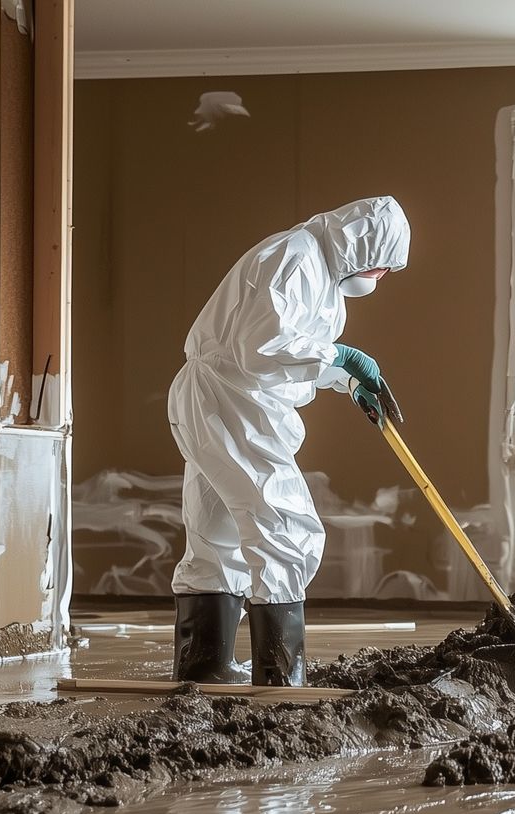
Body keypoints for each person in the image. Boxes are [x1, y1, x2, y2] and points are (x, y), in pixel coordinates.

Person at [166, 196, 410, 686]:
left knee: (218, 533)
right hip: (235, 401)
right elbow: (262, 349)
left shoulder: (320, 272)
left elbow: (293, 351)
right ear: (362, 248)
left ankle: (203, 665)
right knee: (284, 527)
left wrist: (345, 378)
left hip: (224, 400)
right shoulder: (296, 258)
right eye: (382, 267)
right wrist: (344, 356)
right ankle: (280, 677)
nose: (380, 277)